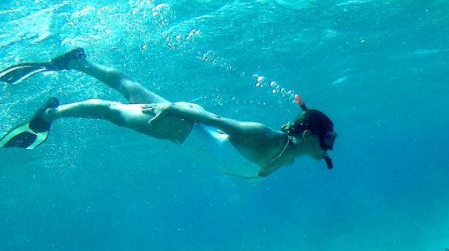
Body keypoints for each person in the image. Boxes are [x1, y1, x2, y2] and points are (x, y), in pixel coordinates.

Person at [0, 48, 337, 178]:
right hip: (178, 125)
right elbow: (219, 122)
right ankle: (50, 114)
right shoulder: (267, 138)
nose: (331, 145)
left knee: (130, 89)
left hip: (186, 123)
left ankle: (79, 62)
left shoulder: (286, 158)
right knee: (111, 111)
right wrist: (171, 108)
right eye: (329, 138)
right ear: (308, 134)